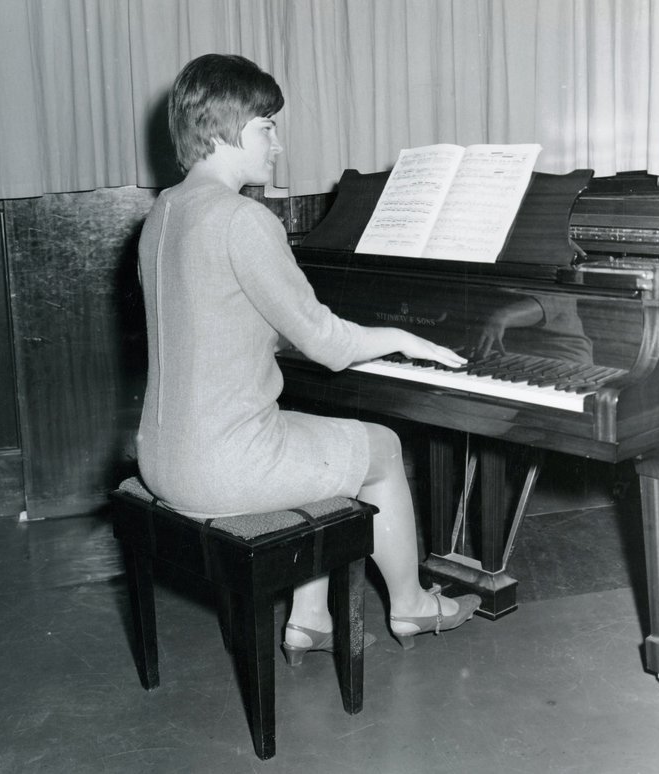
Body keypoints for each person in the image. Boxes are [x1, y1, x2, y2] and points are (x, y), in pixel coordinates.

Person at [135, 53, 480, 659]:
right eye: (267, 126)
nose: (277, 145)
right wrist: (399, 336)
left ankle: (311, 617)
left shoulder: (164, 211)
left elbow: (222, 324)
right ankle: (413, 605)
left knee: (320, 442)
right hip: (221, 468)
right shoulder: (242, 220)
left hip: (162, 456)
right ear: (224, 129)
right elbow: (329, 344)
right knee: (381, 450)